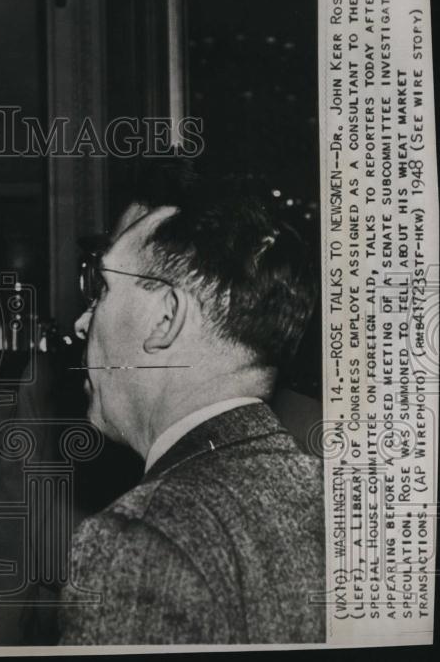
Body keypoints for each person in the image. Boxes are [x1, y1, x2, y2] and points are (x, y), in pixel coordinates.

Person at [59, 191, 325, 644]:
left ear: (166, 317)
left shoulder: (137, 538)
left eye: (102, 288)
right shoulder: (339, 498)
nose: (83, 323)